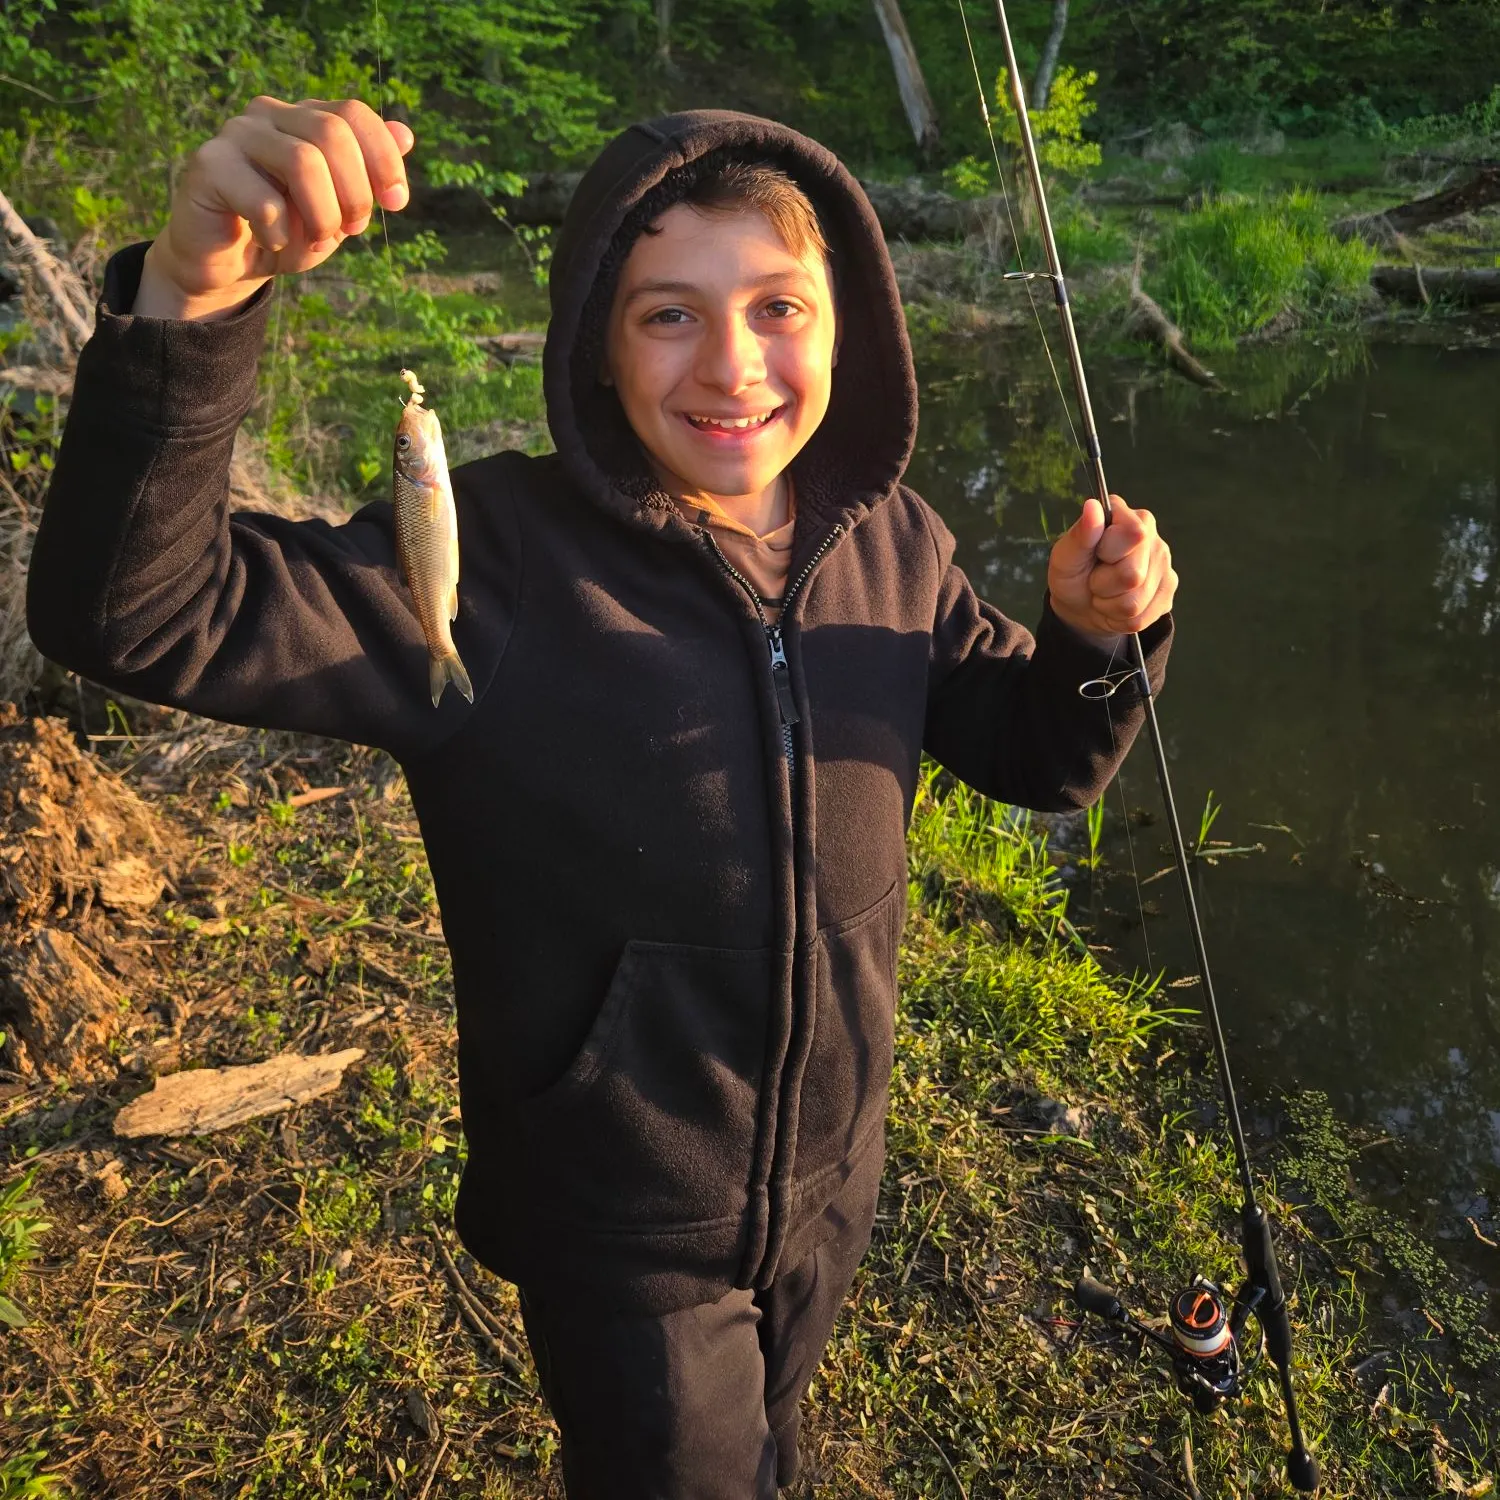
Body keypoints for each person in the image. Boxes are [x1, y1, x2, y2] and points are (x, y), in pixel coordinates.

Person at [26, 98, 1175, 1497]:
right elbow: (142, 613)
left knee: (769, 1448)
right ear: (594, 343)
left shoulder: (895, 540)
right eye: (668, 316)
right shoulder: (493, 562)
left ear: (845, 324)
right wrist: (191, 304)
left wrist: (1093, 640)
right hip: (619, 1229)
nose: (734, 364)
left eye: (778, 308)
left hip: (830, 1180)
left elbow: (1038, 754)